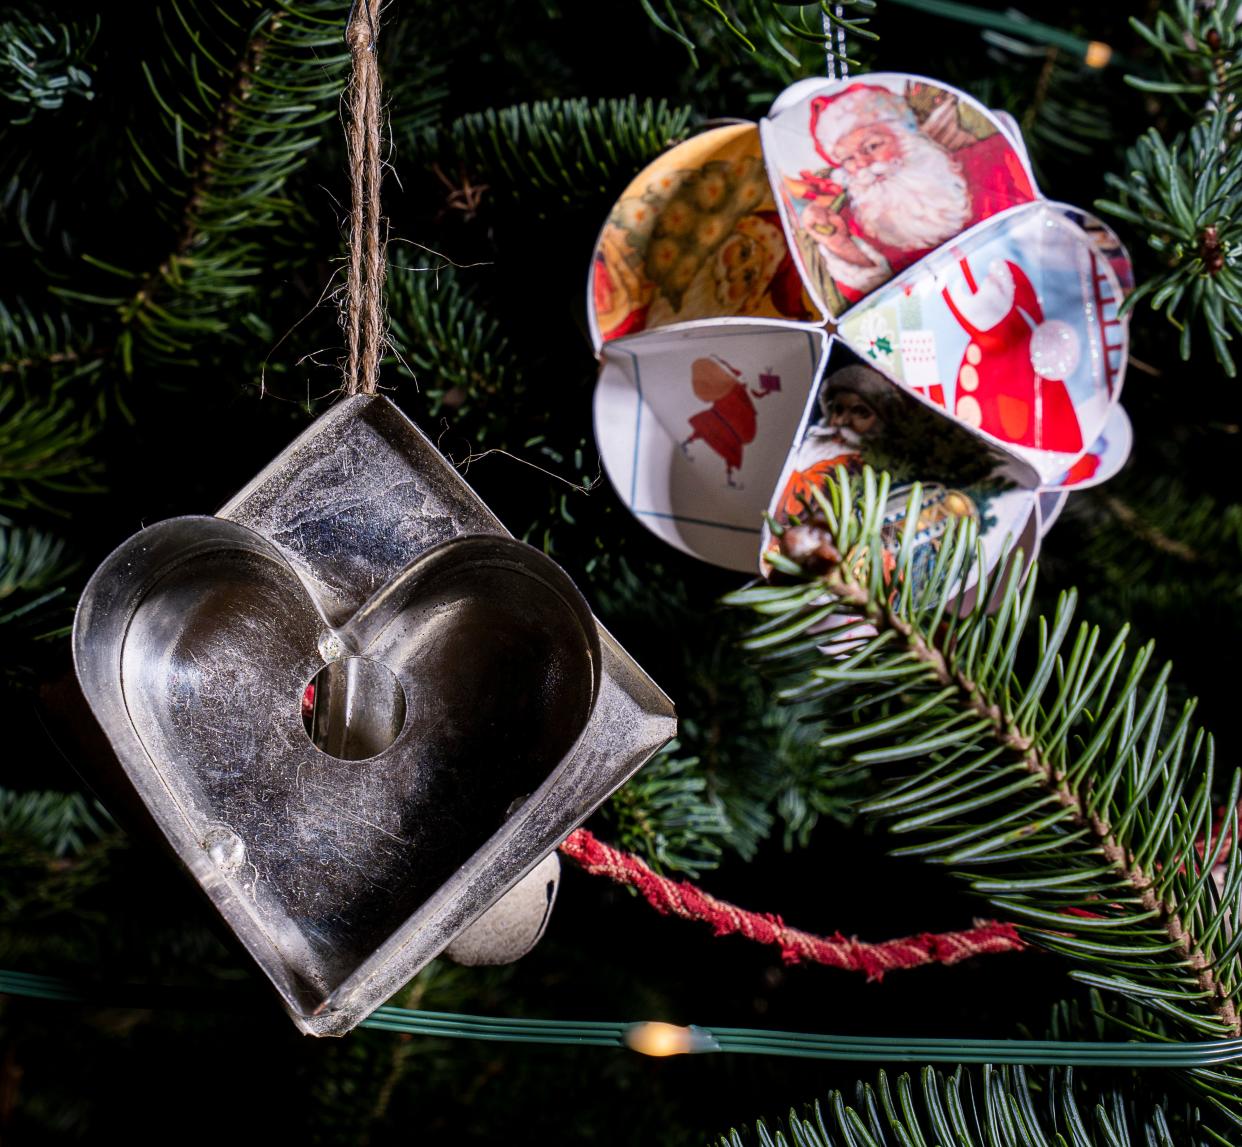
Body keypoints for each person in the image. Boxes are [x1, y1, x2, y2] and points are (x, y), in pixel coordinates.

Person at [792, 83, 1033, 301]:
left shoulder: (989, 162)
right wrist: (840, 245)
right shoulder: (851, 222)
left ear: (904, 136)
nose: (863, 164)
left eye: (872, 146)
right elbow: (868, 304)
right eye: (848, 160)